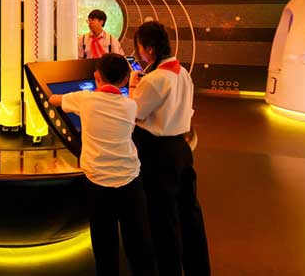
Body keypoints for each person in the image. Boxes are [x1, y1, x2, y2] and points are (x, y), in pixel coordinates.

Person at [50, 54, 158, 276]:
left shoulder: (85, 99)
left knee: (104, 245)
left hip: (97, 183)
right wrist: (133, 86)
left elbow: (54, 100)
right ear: (125, 79)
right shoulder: (130, 106)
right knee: (138, 241)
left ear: (97, 76)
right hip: (130, 181)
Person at [129, 21, 210, 276]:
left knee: (163, 219)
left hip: (158, 154)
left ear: (150, 49)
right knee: (190, 214)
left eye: (140, 47)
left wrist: (133, 86)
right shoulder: (182, 72)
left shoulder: (154, 80)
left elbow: (135, 112)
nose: (139, 53)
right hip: (181, 150)